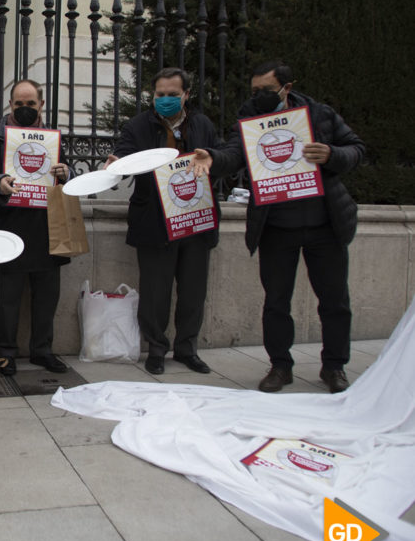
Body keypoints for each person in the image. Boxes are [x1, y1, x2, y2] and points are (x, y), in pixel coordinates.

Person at [190, 61, 364, 393]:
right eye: (254, 91)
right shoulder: (249, 119)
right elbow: (234, 153)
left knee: (334, 301)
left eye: (267, 91)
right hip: (276, 227)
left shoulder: (320, 114)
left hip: (324, 225)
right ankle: (280, 367)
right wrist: (212, 158)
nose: (259, 97)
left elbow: (357, 149)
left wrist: (331, 154)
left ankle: (334, 367)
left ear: (286, 87)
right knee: (276, 302)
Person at [106, 67, 221, 375]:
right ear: (152, 96)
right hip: (154, 221)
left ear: (186, 95)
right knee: (155, 292)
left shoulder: (203, 125)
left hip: (195, 220)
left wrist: (210, 156)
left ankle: (187, 349)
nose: (166, 100)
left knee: (193, 292)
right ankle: (156, 349)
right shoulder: (137, 126)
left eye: (173, 95)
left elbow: (222, 157)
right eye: (160, 95)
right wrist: (117, 164)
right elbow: (125, 157)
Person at [0, 79, 72, 375]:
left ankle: (43, 351)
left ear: (41, 105)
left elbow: (70, 176)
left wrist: (66, 172)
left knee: (47, 296)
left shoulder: (54, 140)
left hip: (48, 228)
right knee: (9, 299)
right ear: (10, 106)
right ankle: (6, 353)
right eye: (19, 104)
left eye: (31, 103)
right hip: (10, 228)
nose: (25, 108)